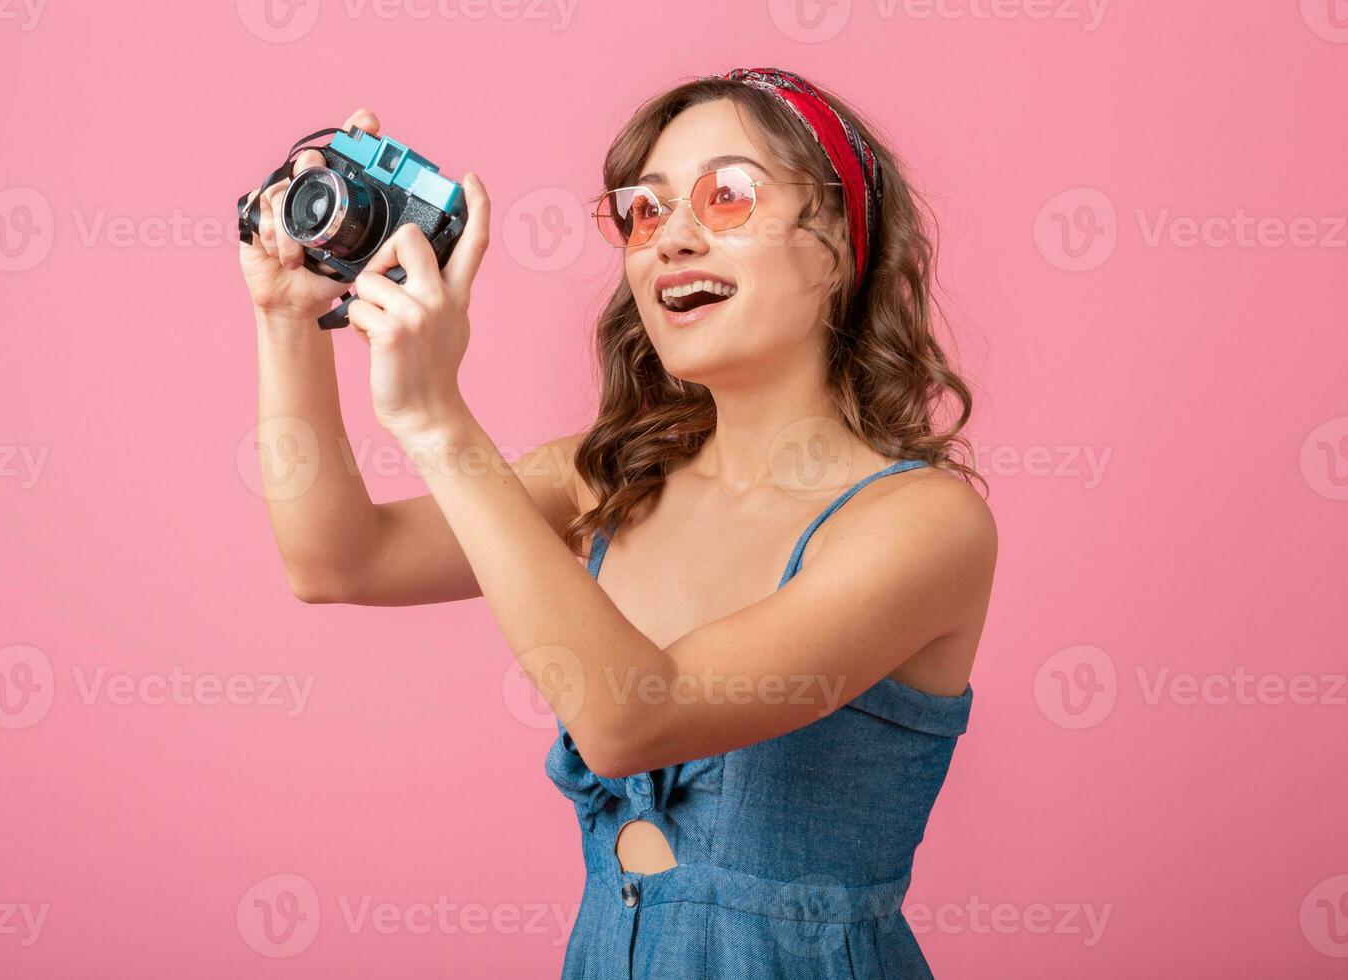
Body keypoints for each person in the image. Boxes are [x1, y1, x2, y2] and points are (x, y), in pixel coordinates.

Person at [239, 66, 997, 979]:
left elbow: (632, 720)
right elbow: (338, 561)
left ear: (836, 242)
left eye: (726, 196)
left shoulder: (922, 525)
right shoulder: (600, 478)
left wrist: (438, 420)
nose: (670, 238)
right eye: (644, 210)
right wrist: (285, 317)